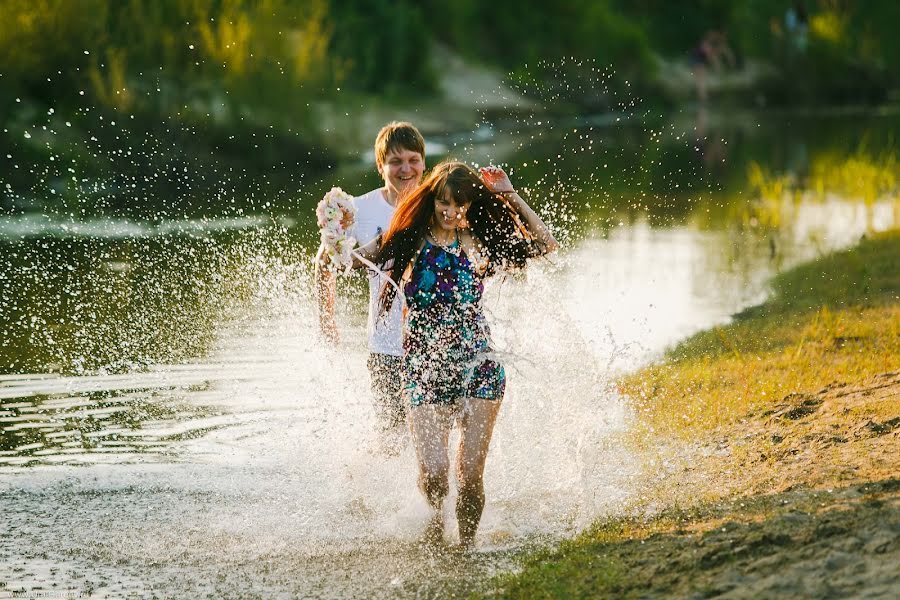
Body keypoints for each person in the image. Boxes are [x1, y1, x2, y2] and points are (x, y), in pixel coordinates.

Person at [361, 160, 558, 547]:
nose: (451, 213)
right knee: (435, 474)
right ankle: (435, 529)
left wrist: (510, 195)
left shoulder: (477, 243)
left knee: (469, 477)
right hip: (423, 370)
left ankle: (464, 548)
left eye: (460, 205)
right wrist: (335, 238)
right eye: (444, 203)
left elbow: (545, 245)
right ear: (432, 199)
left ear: (470, 205)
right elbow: (356, 258)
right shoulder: (408, 239)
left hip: (477, 368)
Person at [315, 121, 426, 449]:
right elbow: (324, 263)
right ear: (381, 166)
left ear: (423, 163)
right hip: (385, 346)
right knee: (394, 439)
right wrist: (327, 319)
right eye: (395, 162)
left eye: (412, 160)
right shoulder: (360, 210)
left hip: (433, 343)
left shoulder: (438, 206)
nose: (405, 169)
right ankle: (387, 499)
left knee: (431, 438)